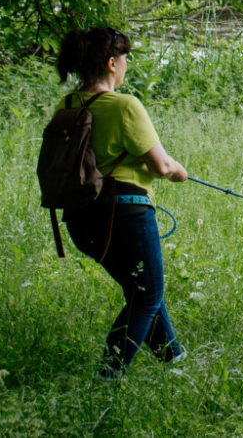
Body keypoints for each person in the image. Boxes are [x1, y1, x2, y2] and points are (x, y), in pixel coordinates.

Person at [53, 26, 190, 377]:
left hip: (80, 221)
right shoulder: (125, 106)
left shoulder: (67, 104)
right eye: (125, 58)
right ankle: (108, 373)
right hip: (124, 216)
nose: (126, 65)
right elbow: (161, 165)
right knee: (147, 296)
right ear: (112, 63)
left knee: (140, 290)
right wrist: (179, 172)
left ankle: (174, 361)